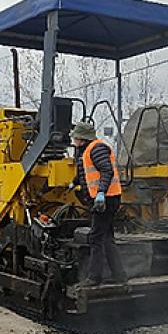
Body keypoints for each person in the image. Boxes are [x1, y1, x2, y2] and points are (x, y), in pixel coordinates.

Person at [70, 122, 127, 286]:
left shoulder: (97, 148)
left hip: (106, 199)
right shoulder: (88, 150)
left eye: (75, 137)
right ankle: (119, 275)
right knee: (107, 237)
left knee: (95, 237)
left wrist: (101, 192)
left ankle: (94, 278)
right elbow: (87, 171)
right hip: (106, 198)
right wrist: (74, 182)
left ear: (81, 138)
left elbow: (106, 170)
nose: (73, 140)